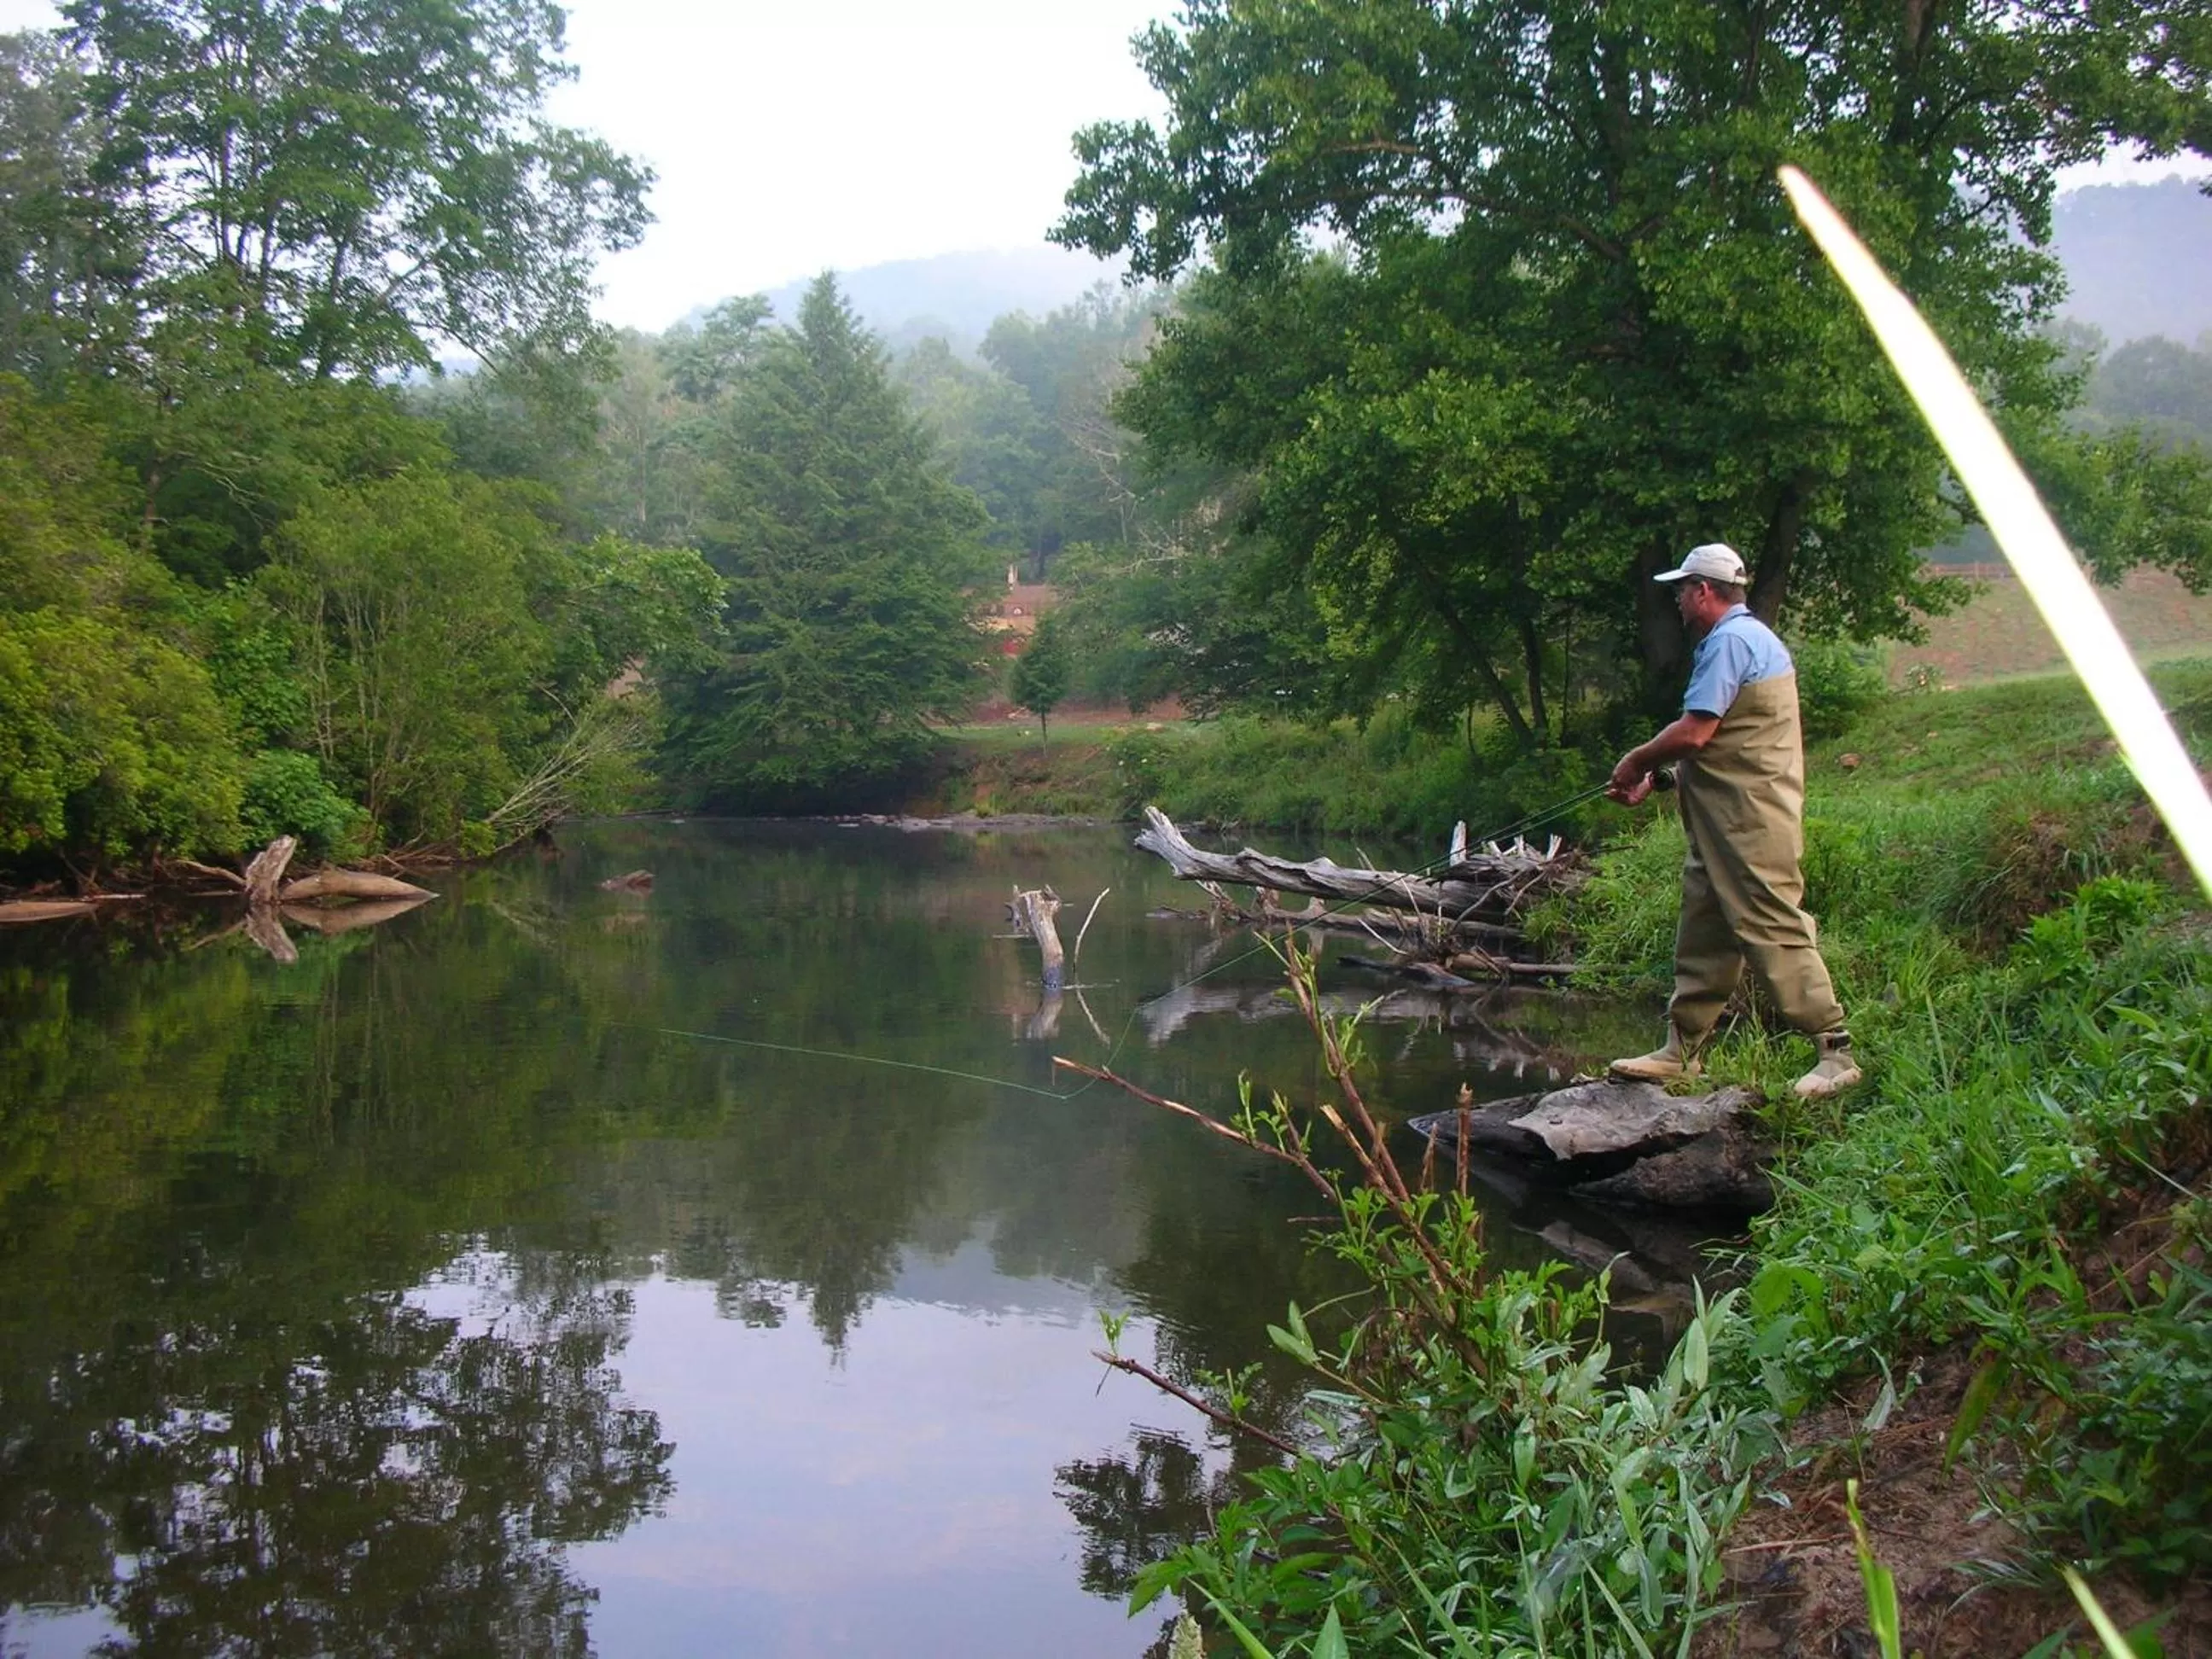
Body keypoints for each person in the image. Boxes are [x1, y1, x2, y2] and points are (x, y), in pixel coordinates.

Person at [1605, 542, 1863, 1100]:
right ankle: (1681, 1053)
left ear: (1703, 591)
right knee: (1703, 933)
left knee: (1773, 924)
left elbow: (1696, 731)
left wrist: (1636, 761)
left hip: (1751, 824)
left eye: (1681, 590)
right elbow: (1728, 741)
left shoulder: (1729, 642)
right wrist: (1664, 779)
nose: (1676, 601)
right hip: (1724, 826)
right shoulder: (1746, 640)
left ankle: (1834, 1048)